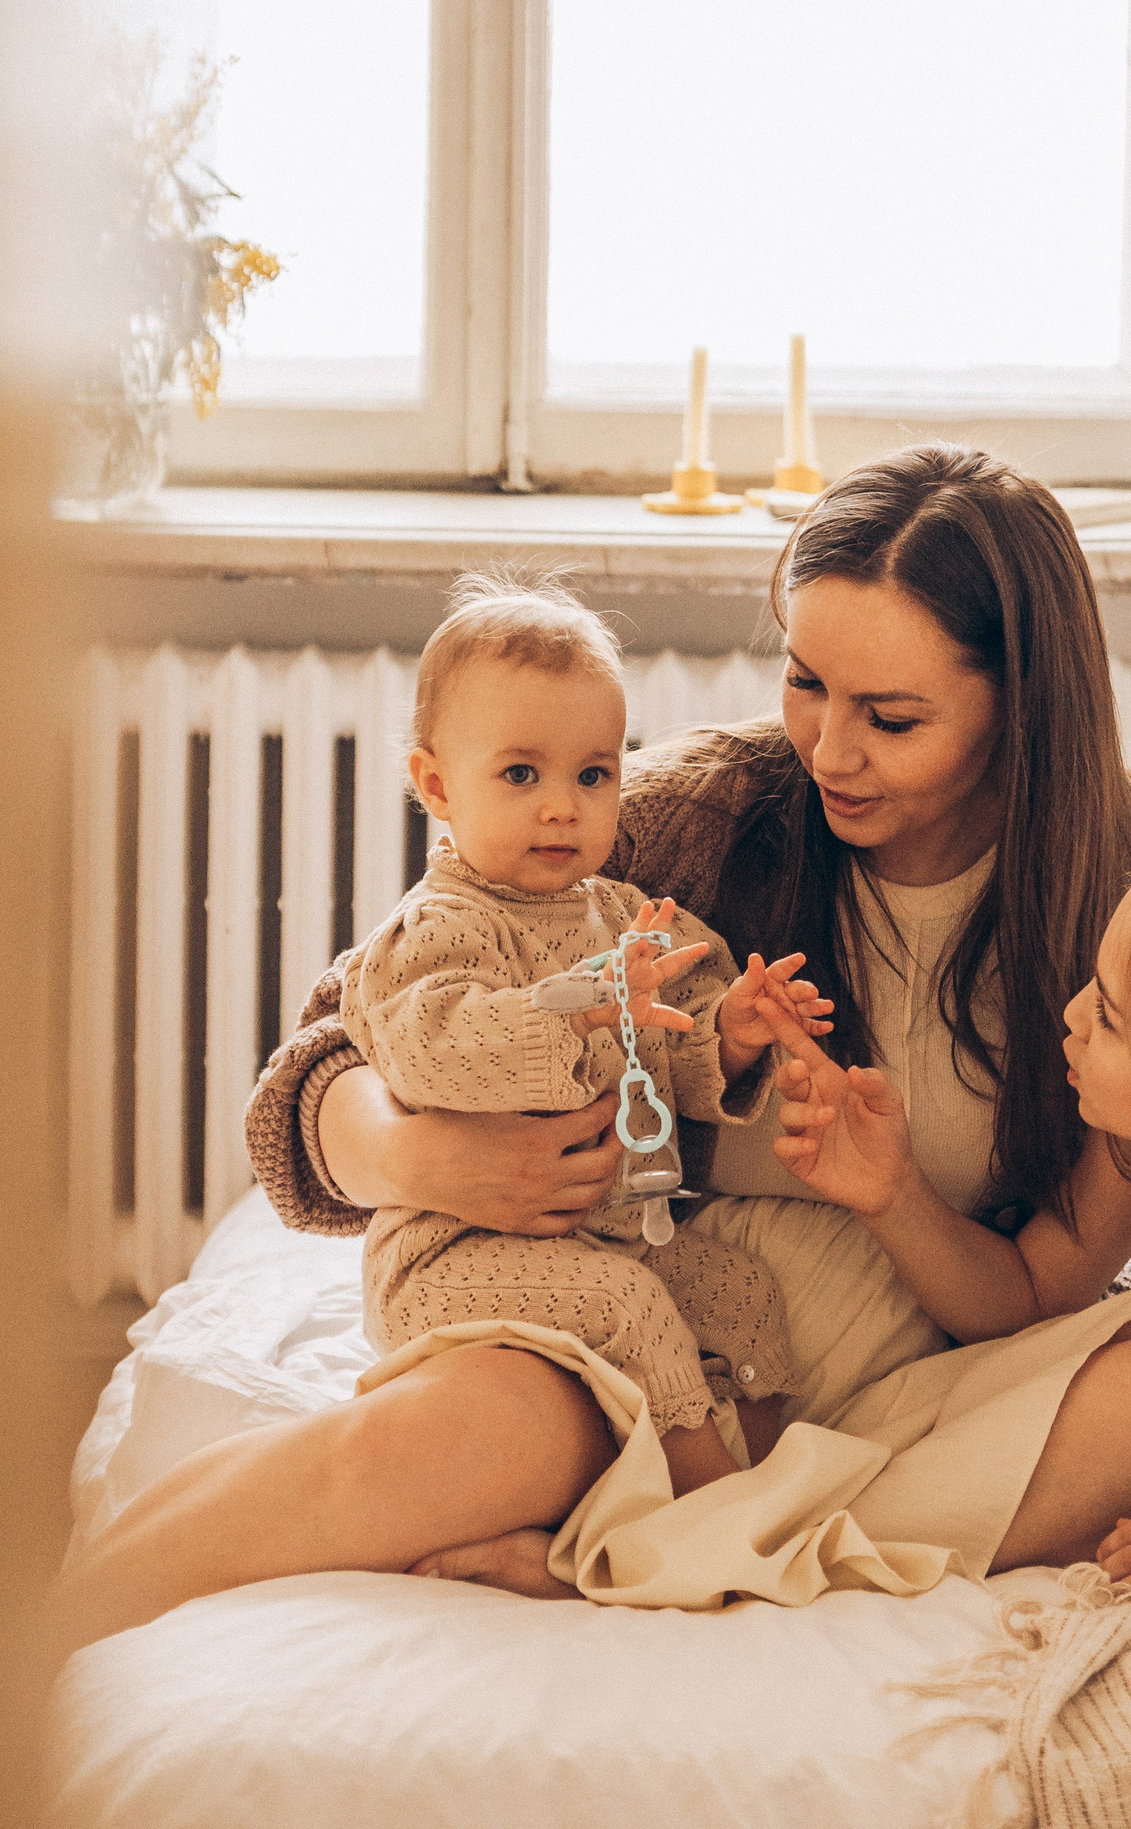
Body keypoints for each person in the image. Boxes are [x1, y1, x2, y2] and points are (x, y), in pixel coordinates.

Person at [53, 444, 1131, 1645]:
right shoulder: (700, 812)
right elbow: (335, 1050)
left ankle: (632, 1544)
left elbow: (1051, 1282)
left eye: (891, 718)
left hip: (936, 1370)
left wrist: (890, 1195)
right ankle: (48, 1632)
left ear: (1020, 709)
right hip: (656, 1319)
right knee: (467, 1426)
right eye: (805, 682)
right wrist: (418, 1157)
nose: (830, 749)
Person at [337, 573, 830, 1497]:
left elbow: (673, 1055)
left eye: (593, 774)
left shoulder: (624, 915)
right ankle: (709, 1503)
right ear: (437, 785)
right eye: (521, 774)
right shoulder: (437, 927)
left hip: (608, 1237)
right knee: (629, 1306)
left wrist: (732, 1031)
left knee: (744, 1292)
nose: (562, 805)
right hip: (451, 1255)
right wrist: (580, 1005)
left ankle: (764, 1473)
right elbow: (437, 1046)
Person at [764, 834, 1131, 1589]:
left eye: (1109, 1017)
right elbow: (1032, 1292)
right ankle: (804, 1523)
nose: (1072, 1015)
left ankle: (804, 1531)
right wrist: (893, 1192)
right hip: (1109, 1393)